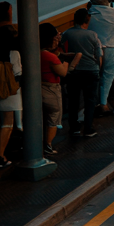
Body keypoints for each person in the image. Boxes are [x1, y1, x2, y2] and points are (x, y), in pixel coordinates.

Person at [63, 8, 104, 137]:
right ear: (87, 20)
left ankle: (74, 127)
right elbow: (99, 55)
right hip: (90, 71)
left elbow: (62, 51)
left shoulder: (67, 34)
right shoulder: (92, 35)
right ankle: (88, 128)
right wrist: (98, 69)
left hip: (73, 71)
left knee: (73, 100)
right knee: (90, 100)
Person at [0, 24, 22, 167]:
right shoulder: (14, 53)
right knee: (7, 124)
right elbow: (18, 73)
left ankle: (0, 151)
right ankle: (0, 156)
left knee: (0, 124)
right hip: (10, 93)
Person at [86, 0, 114, 113]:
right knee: (108, 76)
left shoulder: (89, 13)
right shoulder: (112, 11)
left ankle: (95, 102)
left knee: (95, 76)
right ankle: (103, 104)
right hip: (112, 47)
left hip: (94, 48)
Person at [40, 24, 76, 156]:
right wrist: (66, 62)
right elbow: (62, 72)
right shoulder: (50, 57)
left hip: (38, 88)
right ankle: (48, 145)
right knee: (53, 118)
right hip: (51, 89)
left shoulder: (35, 53)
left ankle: (38, 142)